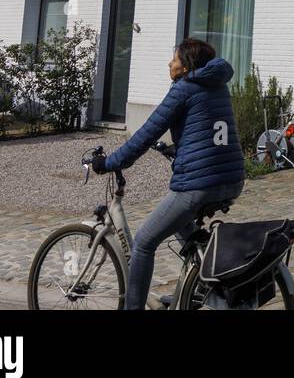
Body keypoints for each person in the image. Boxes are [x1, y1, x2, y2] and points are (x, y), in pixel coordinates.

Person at [93, 37, 245, 310]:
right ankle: (193, 290)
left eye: (174, 58)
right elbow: (209, 131)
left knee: (143, 243)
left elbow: (144, 134)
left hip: (199, 185)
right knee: (183, 229)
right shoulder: (217, 85)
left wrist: (109, 162)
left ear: (186, 67)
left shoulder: (184, 89)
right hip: (231, 179)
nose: (169, 63)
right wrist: (178, 149)